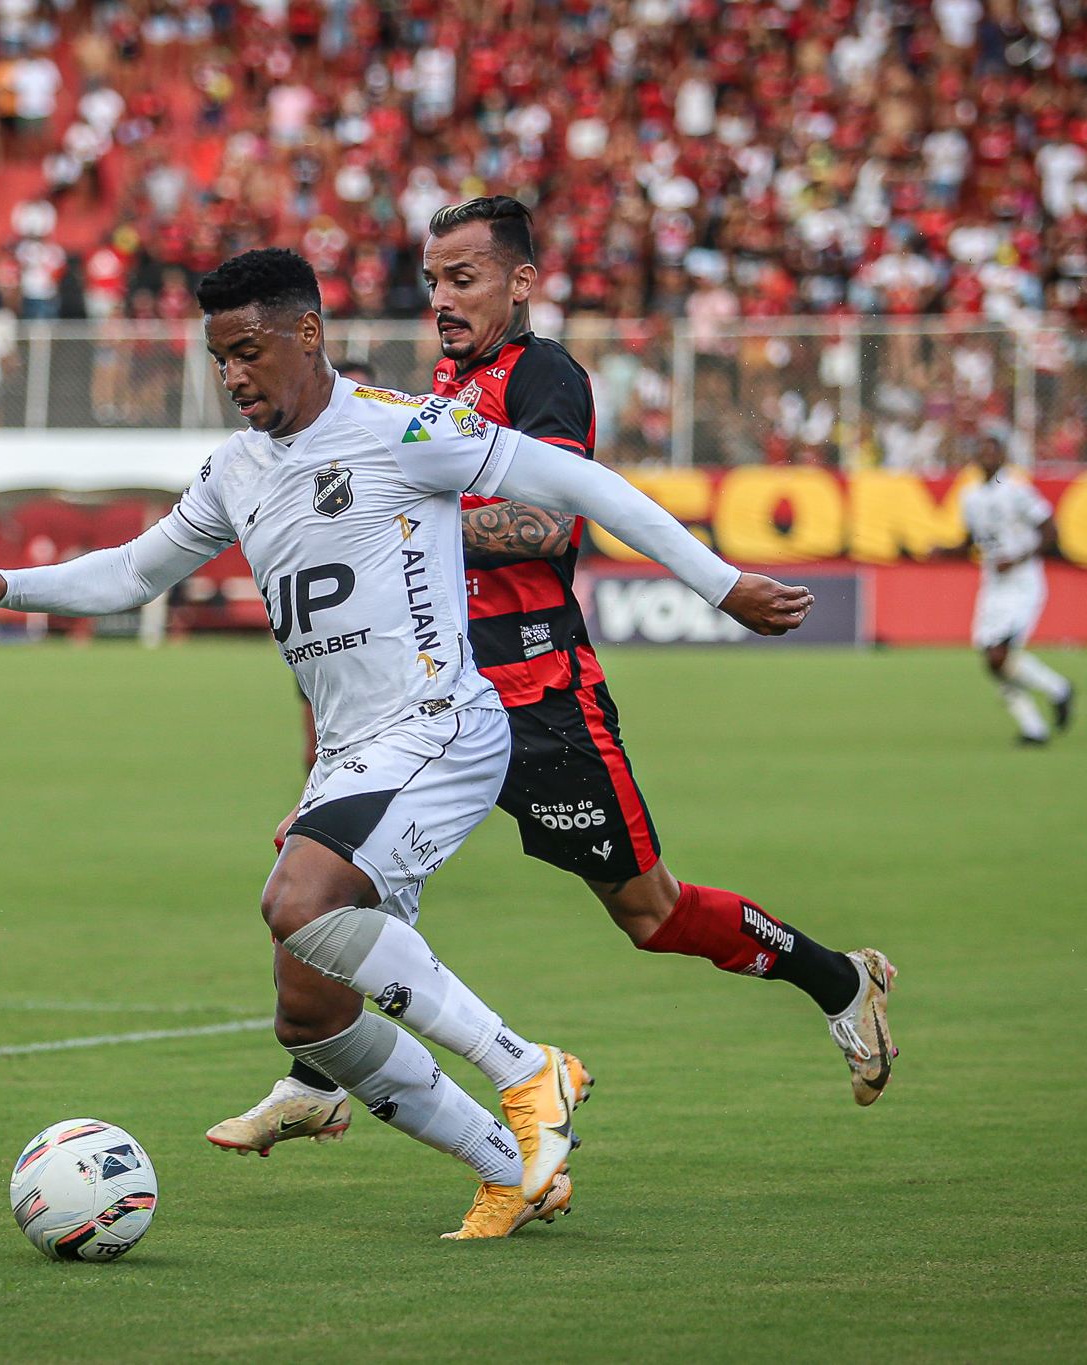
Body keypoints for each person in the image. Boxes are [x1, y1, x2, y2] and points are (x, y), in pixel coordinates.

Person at [0, 249, 816, 1239]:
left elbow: (579, 485)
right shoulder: (235, 470)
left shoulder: (404, 430)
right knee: (310, 1016)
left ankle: (527, 1070)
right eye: (219, 358)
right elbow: (131, 573)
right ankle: (511, 1170)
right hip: (353, 755)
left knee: (296, 901)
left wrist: (720, 582)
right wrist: (4, 586)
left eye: (247, 351)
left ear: (308, 334)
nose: (233, 375)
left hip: (440, 728)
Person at [218, 199, 898, 1164]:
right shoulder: (442, 389)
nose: (443, 299)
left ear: (521, 281)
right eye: (433, 281)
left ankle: (841, 981)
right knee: (324, 866)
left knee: (650, 913)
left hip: (538, 691)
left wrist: (402, 517)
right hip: (438, 694)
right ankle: (315, 1075)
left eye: (464, 279)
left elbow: (551, 524)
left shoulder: (543, 376)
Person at [956, 435, 1076, 744]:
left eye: (992, 452)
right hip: (992, 584)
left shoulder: (1016, 490)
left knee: (999, 655)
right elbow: (970, 542)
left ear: (1003, 457)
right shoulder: (969, 496)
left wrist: (1018, 558)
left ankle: (1057, 689)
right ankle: (1034, 727)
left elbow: (1051, 530)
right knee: (992, 659)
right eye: (982, 452)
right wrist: (941, 550)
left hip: (1022, 582)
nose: (987, 458)